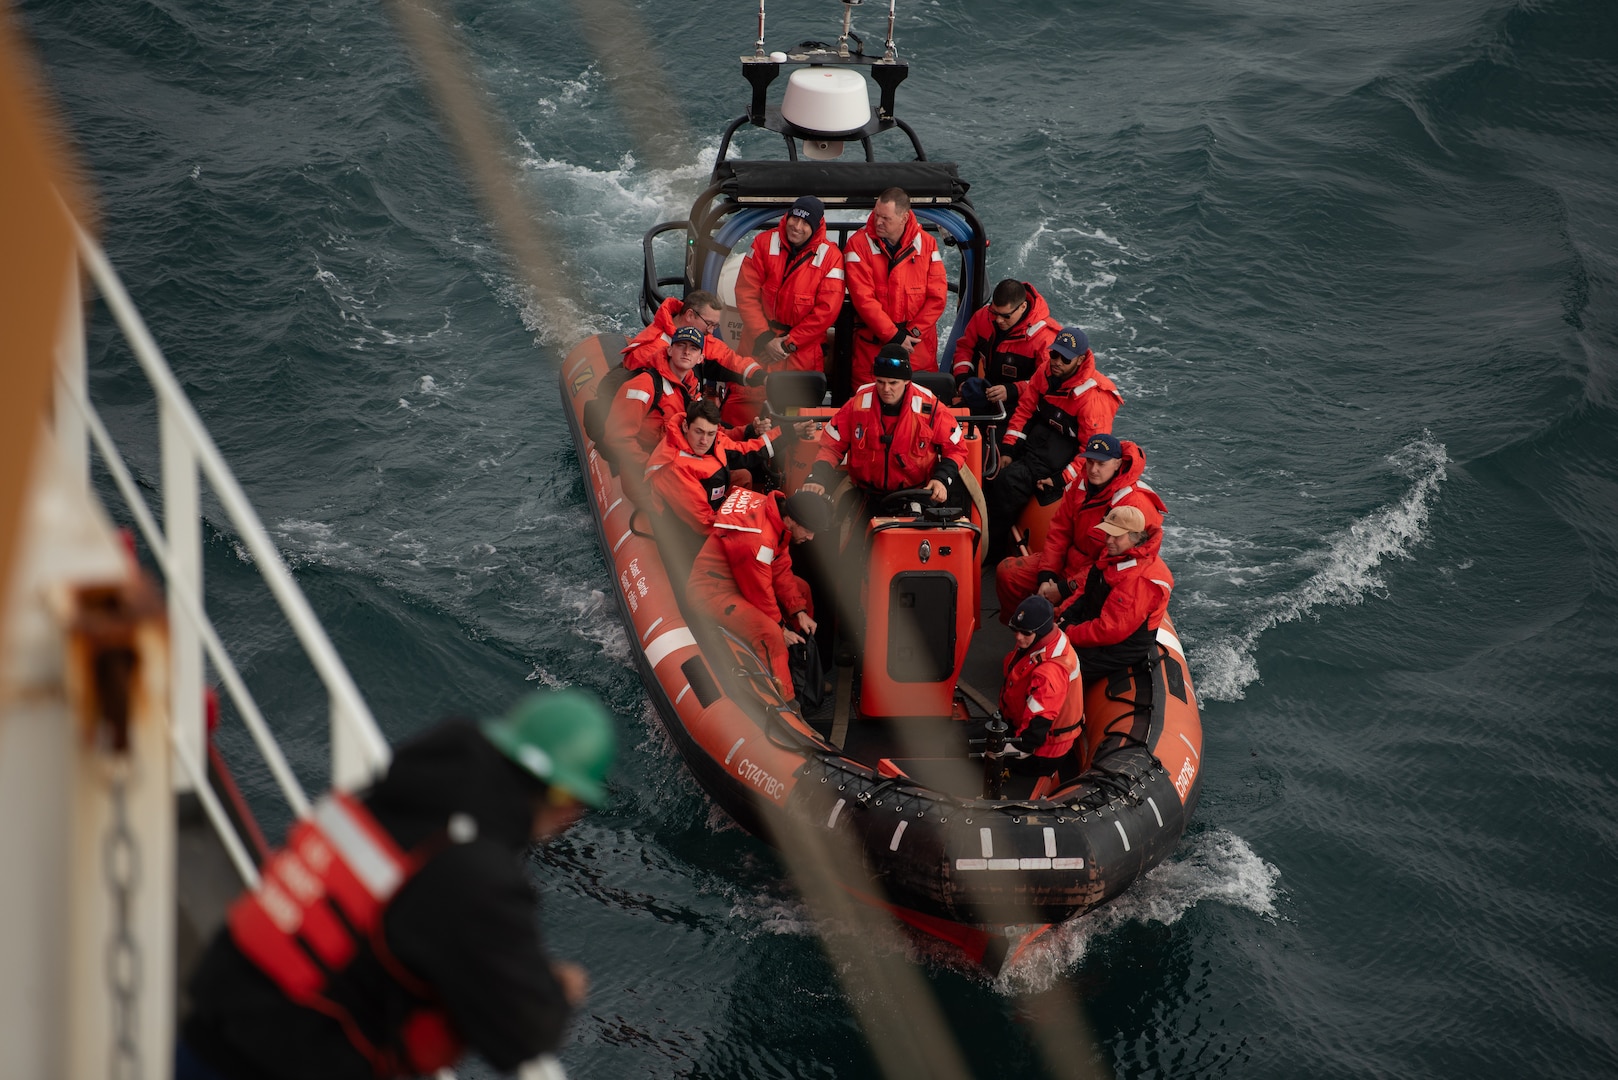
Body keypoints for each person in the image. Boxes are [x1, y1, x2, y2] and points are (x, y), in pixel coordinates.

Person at [177, 691, 617, 1080]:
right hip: (289, 1056)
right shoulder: (480, 873)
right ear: (566, 802)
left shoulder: (407, 787)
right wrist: (556, 990)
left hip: (216, 1007)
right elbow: (526, 1032)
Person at [985, 327, 1123, 563]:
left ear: (1080, 359)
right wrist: (1008, 447)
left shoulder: (1093, 400)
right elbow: (1026, 409)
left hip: (1059, 458)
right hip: (1040, 438)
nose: (1057, 361)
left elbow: (1090, 455)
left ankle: (990, 552)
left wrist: (1060, 480)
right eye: (1054, 354)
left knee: (1008, 483)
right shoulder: (1046, 372)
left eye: (1065, 358)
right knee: (991, 456)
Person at [994, 433, 1165, 622]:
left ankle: (1046, 637)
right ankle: (1021, 631)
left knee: (1064, 617)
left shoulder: (1134, 504)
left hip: (1099, 577)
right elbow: (1060, 531)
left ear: (1117, 464)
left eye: (1101, 464)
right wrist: (1046, 575)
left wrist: (1065, 588)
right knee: (1008, 574)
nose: (1093, 469)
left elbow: (1113, 565)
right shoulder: (1081, 484)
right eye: (1090, 462)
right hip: (1070, 562)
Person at [687, 488, 831, 709]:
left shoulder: (777, 521)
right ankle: (786, 704)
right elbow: (758, 592)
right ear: (792, 520)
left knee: (802, 591)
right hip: (714, 590)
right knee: (770, 634)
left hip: (743, 577)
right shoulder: (758, 539)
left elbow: (780, 566)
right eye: (809, 531)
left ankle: (799, 671)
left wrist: (798, 612)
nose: (811, 537)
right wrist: (782, 629)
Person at [799, 346, 967, 510]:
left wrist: (941, 479)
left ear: (907, 381)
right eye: (880, 382)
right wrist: (817, 478)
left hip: (915, 495)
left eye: (893, 383)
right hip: (866, 495)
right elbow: (831, 446)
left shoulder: (929, 408)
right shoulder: (857, 405)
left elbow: (956, 448)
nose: (886, 389)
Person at [732, 195, 846, 425]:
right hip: (759, 341)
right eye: (795, 218)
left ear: (815, 227)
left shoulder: (831, 257)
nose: (797, 226)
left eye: (805, 223)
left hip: (801, 349)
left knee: (798, 417)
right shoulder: (763, 243)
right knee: (748, 408)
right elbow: (746, 294)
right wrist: (765, 338)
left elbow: (826, 312)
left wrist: (787, 344)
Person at [646, 398, 779, 559]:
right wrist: (748, 527)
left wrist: (784, 434)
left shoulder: (711, 440)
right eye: (699, 432)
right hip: (684, 531)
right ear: (686, 426)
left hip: (710, 502)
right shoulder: (675, 467)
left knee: (743, 476)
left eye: (710, 433)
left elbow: (744, 451)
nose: (704, 441)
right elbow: (704, 523)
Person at [843, 187, 948, 387]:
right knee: (866, 405)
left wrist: (912, 334)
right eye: (876, 215)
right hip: (873, 348)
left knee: (920, 407)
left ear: (904, 218)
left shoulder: (927, 244)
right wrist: (894, 336)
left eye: (885, 218)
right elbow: (863, 299)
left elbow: (938, 297)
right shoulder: (858, 244)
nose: (878, 222)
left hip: (917, 349)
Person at [1060, 504, 1174, 676]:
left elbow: (1109, 631)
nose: (1108, 541)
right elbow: (1088, 593)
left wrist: (1068, 631)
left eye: (1116, 536)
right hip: (1096, 626)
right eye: (1107, 534)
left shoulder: (1141, 580)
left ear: (1135, 537)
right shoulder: (1117, 555)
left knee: (1056, 665)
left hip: (1119, 648)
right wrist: (1063, 616)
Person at [992, 595, 1086, 779]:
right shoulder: (1042, 642)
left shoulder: (1050, 672)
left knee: (969, 751)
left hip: (1042, 752)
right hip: (1018, 726)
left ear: (1041, 632)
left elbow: (1034, 734)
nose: (1018, 637)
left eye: (1025, 633)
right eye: (1014, 629)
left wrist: (1005, 751)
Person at [603, 325, 706, 489]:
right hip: (645, 473)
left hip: (678, 463)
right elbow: (617, 436)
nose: (686, 352)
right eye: (681, 345)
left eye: (693, 348)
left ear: (700, 358)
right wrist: (650, 465)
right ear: (670, 350)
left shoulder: (692, 388)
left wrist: (746, 432)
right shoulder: (644, 385)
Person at [950, 279, 1061, 418]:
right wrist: (962, 379)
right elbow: (965, 348)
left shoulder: (1046, 339)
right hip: (986, 393)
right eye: (995, 312)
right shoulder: (983, 317)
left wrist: (1012, 390)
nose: (998, 320)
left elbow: (1049, 382)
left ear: (1023, 307)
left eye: (1005, 316)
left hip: (1022, 404)